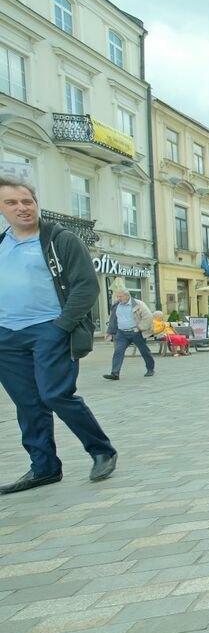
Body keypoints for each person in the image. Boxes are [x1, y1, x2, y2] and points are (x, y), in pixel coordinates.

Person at [0, 177, 117, 494]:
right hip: (7, 337)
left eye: (27, 201)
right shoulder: (1, 244)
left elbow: (86, 287)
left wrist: (60, 327)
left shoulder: (59, 240)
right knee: (27, 404)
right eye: (12, 203)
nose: (22, 208)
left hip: (50, 330)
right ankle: (44, 468)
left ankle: (102, 451)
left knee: (55, 395)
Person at [102, 287, 156, 380]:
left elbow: (148, 317)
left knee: (144, 351)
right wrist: (109, 332)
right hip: (122, 333)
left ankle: (150, 369)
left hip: (136, 333)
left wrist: (139, 328)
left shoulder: (138, 304)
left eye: (120, 296)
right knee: (118, 351)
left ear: (127, 296)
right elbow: (113, 320)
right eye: (117, 296)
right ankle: (115, 373)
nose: (118, 298)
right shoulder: (116, 305)